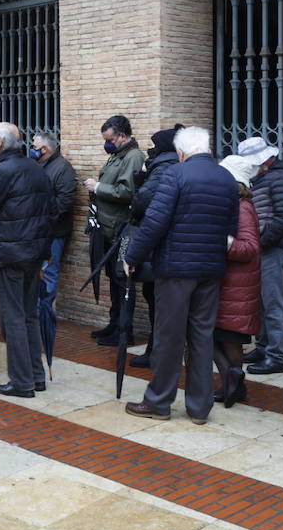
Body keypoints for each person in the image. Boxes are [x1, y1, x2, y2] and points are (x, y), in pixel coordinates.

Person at [122, 126, 238, 424]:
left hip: (176, 269)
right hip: (211, 269)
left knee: (169, 337)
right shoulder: (226, 178)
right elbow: (231, 228)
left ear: (182, 152)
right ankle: (199, 408)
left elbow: (154, 223)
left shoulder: (176, 174)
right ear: (208, 149)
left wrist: (132, 256)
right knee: (202, 337)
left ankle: (159, 402)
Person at [0, 122, 54, 397]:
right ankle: (35, 376)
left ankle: (21, 382)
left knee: (12, 318)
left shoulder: (1, 170)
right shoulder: (35, 168)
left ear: (0, 144)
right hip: (34, 252)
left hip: (10, 252)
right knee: (29, 314)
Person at [85, 115, 146, 347]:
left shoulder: (133, 156)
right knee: (113, 278)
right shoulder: (117, 155)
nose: (107, 144)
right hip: (108, 228)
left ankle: (124, 331)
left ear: (122, 135)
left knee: (122, 281)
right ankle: (113, 324)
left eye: (110, 139)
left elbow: (127, 191)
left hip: (121, 229)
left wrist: (98, 187)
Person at [127, 125, 184, 368]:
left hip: (161, 248)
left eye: (153, 144)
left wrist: (139, 183)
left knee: (159, 303)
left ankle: (158, 354)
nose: (149, 148)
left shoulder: (162, 169)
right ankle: (156, 350)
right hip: (166, 248)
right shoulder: (167, 166)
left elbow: (142, 205)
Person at [239, 136, 283, 375]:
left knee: (273, 305)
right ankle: (262, 347)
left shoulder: (279, 177)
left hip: (271, 249)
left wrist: (260, 243)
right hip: (261, 249)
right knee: (260, 304)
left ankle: (276, 357)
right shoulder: (262, 178)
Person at [215, 154, 261, 407]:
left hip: (236, 287)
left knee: (228, 338)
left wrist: (220, 240)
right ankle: (233, 384)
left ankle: (233, 381)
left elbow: (249, 248)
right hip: (232, 286)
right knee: (222, 336)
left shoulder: (242, 207)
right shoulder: (235, 204)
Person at [33, 131, 76, 343]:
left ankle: (44, 313)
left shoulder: (62, 169)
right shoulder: (41, 166)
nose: (32, 149)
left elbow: (64, 202)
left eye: (35, 146)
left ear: (45, 149)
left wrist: (45, 219)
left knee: (49, 272)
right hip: (40, 232)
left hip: (53, 232)